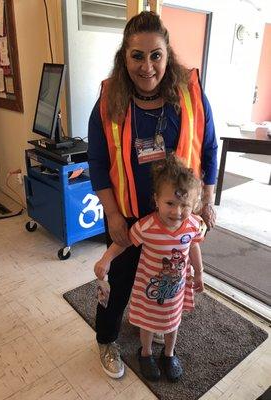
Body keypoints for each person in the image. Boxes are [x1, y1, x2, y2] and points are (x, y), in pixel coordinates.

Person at [87, 11, 218, 379]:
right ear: (124, 57)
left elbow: (209, 147)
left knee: (167, 277)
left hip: (175, 213)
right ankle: (106, 338)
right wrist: (113, 215)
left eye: (156, 55)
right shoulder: (109, 97)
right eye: (137, 56)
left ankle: (154, 325)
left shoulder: (190, 92)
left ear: (167, 55)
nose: (147, 67)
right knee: (121, 282)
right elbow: (97, 161)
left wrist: (207, 200)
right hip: (127, 214)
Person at [94, 154, 206, 382]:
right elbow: (123, 243)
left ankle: (169, 353)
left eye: (185, 205)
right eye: (170, 204)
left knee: (173, 321)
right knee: (147, 322)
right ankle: (145, 353)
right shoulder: (146, 226)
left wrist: (200, 273)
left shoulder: (192, 225)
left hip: (176, 288)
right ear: (156, 200)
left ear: (194, 204)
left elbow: (194, 247)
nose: (177, 212)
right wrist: (106, 259)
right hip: (149, 288)